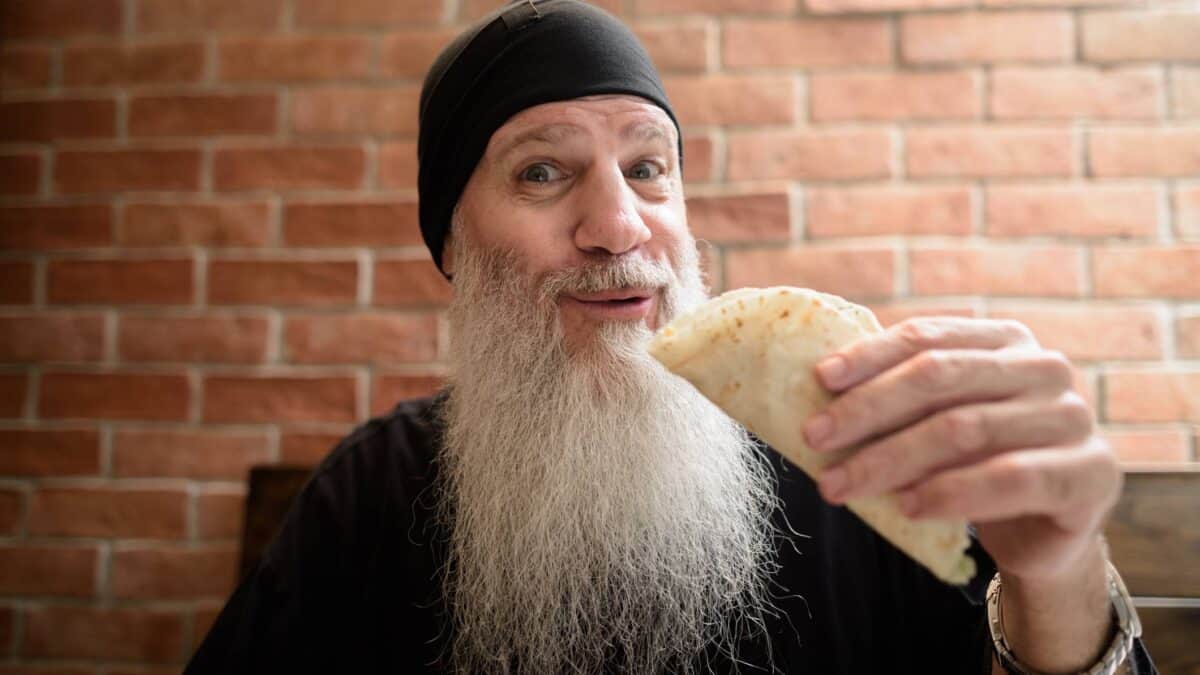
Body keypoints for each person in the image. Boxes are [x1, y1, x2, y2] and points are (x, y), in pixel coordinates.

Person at [186, 1, 1156, 673]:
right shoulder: (374, 490)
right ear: (451, 238)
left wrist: (1058, 571)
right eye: (540, 174)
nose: (619, 226)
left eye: (649, 168)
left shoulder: (847, 460)